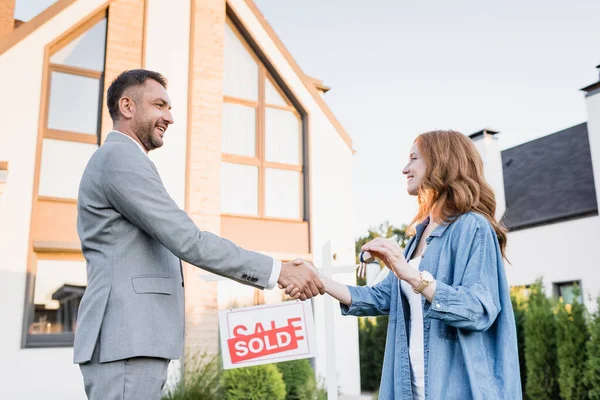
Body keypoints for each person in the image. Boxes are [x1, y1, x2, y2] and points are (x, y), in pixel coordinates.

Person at [74, 69, 324, 400]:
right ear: (127, 106)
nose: (170, 117)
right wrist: (277, 271)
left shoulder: (126, 160)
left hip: (134, 339)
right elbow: (189, 240)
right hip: (126, 339)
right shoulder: (120, 157)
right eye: (160, 105)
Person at [287, 130, 521, 399]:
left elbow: (477, 309)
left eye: (413, 159)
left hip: (460, 388)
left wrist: (409, 273)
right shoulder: (418, 236)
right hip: (412, 389)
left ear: (442, 162)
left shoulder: (473, 227)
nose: (404, 169)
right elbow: (381, 297)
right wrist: (318, 278)